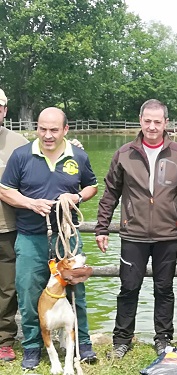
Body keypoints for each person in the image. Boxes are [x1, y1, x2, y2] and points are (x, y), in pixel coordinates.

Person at [0, 107, 98, 370]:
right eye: (42, 129)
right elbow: (5, 190)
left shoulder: (78, 155)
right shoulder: (21, 156)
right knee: (29, 292)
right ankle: (32, 346)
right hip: (30, 236)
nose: (48, 135)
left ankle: (83, 342)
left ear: (66, 129)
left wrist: (76, 197)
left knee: (77, 290)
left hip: (67, 237)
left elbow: (92, 186)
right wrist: (30, 203)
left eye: (54, 129)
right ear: (37, 128)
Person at [95, 99, 177, 359]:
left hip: (168, 234)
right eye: (147, 121)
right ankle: (122, 339)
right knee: (128, 288)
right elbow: (110, 193)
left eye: (158, 121)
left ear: (166, 123)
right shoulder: (125, 153)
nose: (152, 127)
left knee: (164, 289)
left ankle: (163, 338)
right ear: (140, 121)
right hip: (133, 234)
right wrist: (102, 227)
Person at [0, 88, 29, 362]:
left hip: (6, 227)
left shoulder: (19, 143)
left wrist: (73, 147)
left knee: (7, 289)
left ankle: (5, 339)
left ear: (5, 110)